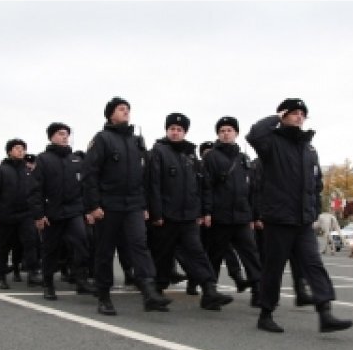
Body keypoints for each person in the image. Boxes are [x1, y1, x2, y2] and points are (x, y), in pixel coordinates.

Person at [246, 99, 352, 334]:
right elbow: (254, 135)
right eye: (293, 113)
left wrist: (313, 211)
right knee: (273, 268)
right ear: (283, 116)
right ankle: (266, 313)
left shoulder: (308, 148)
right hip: (279, 219)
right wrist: (275, 117)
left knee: (314, 264)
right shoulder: (271, 142)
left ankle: (325, 313)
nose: (298, 117)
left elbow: (315, 184)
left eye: (302, 113)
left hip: (303, 220)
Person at [82, 97, 171, 315]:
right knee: (105, 250)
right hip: (108, 205)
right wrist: (93, 205)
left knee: (139, 245)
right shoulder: (102, 139)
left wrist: (144, 205)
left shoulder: (136, 141)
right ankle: (103, 296)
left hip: (133, 205)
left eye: (128, 109)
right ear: (110, 114)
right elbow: (89, 174)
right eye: (121, 109)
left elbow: (144, 177)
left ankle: (149, 292)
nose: (126, 112)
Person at [144, 113, 233, 311]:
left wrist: (202, 212)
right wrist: (156, 214)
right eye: (172, 129)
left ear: (185, 132)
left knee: (197, 253)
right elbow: (153, 185)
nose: (175, 133)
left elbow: (201, 185)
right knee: (162, 255)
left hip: (189, 217)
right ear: (167, 130)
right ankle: (155, 294)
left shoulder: (191, 155)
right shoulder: (158, 152)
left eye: (179, 130)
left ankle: (209, 291)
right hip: (166, 216)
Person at [30, 123, 97, 300]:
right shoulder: (43, 159)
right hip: (52, 213)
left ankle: (81, 280)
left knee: (82, 243)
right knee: (50, 249)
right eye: (60, 134)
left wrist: (88, 210)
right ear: (51, 137)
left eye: (67, 134)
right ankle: (48, 283)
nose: (64, 137)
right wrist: (39, 215)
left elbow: (84, 187)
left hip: (74, 211)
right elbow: (35, 189)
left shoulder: (75, 159)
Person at [201, 117, 262, 305]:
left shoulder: (244, 158)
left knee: (251, 255)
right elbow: (206, 186)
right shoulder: (211, 157)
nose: (226, 133)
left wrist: (254, 215)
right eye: (222, 131)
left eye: (229, 130)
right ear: (218, 134)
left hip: (242, 216)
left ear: (236, 133)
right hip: (220, 216)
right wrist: (207, 212)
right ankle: (209, 295)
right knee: (215, 256)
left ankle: (258, 292)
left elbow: (251, 188)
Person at [0, 138, 40, 289]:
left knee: (30, 243)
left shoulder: (28, 171)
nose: (20, 150)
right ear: (9, 151)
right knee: (3, 246)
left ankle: (33, 273)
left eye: (23, 148)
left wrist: (37, 213)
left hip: (26, 215)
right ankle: (2, 276)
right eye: (17, 148)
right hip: (5, 215)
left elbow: (36, 193)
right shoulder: (1, 171)